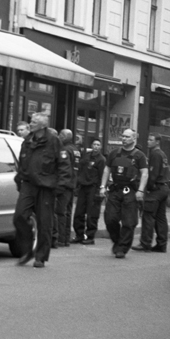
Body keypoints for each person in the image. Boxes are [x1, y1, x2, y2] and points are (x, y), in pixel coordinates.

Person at [13, 112, 71, 269]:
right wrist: (19, 180)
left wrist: (60, 186)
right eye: (31, 121)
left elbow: (64, 165)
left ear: (43, 125)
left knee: (45, 223)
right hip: (28, 185)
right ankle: (27, 249)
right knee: (19, 216)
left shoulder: (54, 141)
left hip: (46, 187)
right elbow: (22, 162)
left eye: (34, 122)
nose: (30, 124)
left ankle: (41, 256)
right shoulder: (27, 141)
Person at [99, 128, 149, 258]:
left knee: (128, 222)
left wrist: (140, 190)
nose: (123, 138)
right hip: (115, 190)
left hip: (130, 191)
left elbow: (144, 173)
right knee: (110, 219)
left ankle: (122, 248)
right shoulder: (114, 153)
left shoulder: (139, 156)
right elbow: (107, 170)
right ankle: (117, 241)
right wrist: (102, 186)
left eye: (127, 137)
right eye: (122, 136)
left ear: (133, 139)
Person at [133, 134, 170, 253]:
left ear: (157, 142)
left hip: (156, 189)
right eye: (148, 139)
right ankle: (162, 244)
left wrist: (148, 187)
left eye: (151, 140)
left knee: (148, 216)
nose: (148, 142)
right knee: (160, 217)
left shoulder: (155, 154)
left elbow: (153, 174)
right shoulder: (162, 154)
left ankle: (145, 243)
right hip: (164, 188)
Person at [72, 138, 105, 244]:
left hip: (93, 188)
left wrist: (100, 189)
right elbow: (80, 170)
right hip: (83, 187)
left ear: (100, 147)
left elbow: (102, 176)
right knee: (79, 213)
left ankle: (90, 237)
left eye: (98, 145)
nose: (96, 146)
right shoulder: (86, 156)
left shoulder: (101, 160)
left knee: (92, 214)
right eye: (94, 144)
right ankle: (79, 235)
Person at [53, 129, 80, 248]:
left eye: (60, 135)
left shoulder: (65, 150)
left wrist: (60, 185)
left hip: (65, 185)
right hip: (72, 184)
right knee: (68, 212)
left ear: (65, 137)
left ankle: (60, 238)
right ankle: (66, 239)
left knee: (60, 212)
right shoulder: (76, 150)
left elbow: (65, 169)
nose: (59, 137)